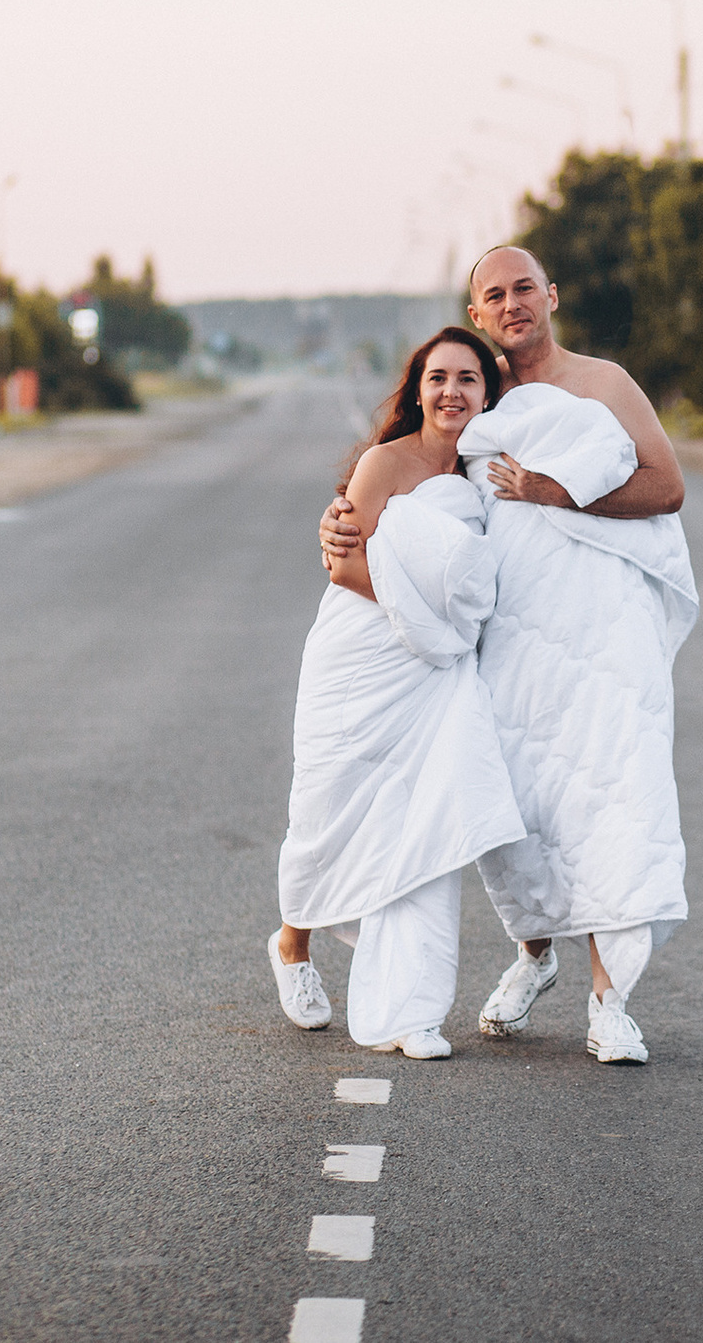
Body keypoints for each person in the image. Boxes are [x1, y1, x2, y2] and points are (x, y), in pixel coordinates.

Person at [322, 247, 696, 1064]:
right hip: (508, 640)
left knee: (609, 802)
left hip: (602, 633)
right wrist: (340, 521)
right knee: (518, 809)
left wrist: (558, 492)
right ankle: (535, 955)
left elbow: (665, 486)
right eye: (494, 293)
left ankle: (610, 1004)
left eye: (525, 287)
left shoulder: (604, 384)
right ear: (478, 310)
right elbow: (416, 476)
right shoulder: (480, 402)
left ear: (551, 296)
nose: (512, 302)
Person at [272, 328, 525, 1059]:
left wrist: (443, 633)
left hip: (431, 676)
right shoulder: (385, 461)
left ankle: (409, 1009)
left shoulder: (486, 473)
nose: (452, 391)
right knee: (326, 812)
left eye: (468, 379)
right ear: (417, 387)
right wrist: (435, 626)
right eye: (439, 376)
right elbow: (342, 567)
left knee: (418, 826)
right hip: (359, 658)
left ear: (486, 392)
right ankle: (293, 945)